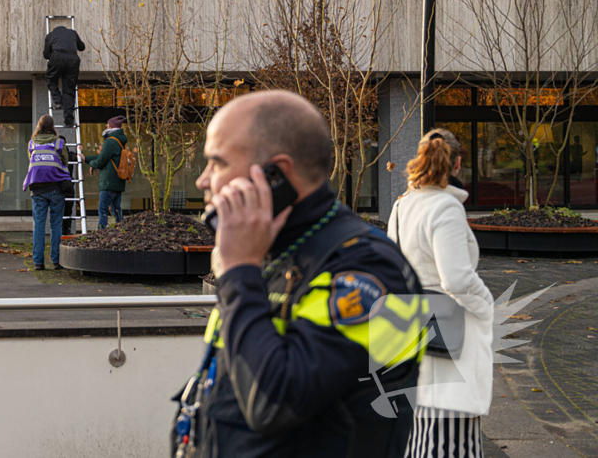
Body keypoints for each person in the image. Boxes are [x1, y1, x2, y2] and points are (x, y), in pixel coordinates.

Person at [176, 91, 423, 457]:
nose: (203, 180)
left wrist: (237, 272)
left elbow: (273, 404)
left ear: (276, 173)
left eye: (217, 162)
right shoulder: (271, 252)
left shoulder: (368, 269)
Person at [387, 129, 494, 458]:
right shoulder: (445, 208)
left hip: (410, 329)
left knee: (421, 437)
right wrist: (487, 306)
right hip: (449, 333)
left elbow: (394, 266)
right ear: (458, 163)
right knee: (452, 441)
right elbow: (457, 279)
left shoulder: (403, 206)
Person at [23, 115, 71, 270]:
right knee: (56, 224)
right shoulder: (59, 142)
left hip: (37, 189)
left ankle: (38, 262)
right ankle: (56, 261)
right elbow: (65, 162)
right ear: (53, 126)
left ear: (39, 127)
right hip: (56, 187)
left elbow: (31, 161)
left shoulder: (32, 143)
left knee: (39, 225)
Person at [84, 116, 127, 229]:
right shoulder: (120, 141)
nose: (106, 127)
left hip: (109, 181)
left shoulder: (110, 141)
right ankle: (121, 231)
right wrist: (87, 159)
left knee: (103, 209)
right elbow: (105, 158)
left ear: (110, 127)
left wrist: (92, 164)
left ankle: (101, 232)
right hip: (118, 180)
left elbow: (100, 162)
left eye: (107, 125)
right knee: (116, 209)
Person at [43, 23, 85, 127]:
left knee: (51, 79)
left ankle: (57, 101)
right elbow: (82, 47)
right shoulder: (73, 33)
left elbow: (46, 55)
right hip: (73, 59)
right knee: (69, 89)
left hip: (57, 57)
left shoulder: (50, 35)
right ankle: (69, 121)